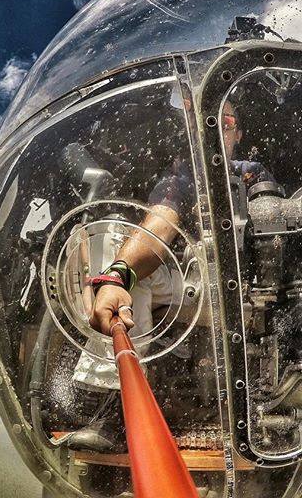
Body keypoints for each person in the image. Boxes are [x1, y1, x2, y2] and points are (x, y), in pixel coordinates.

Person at [68, 99, 275, 451]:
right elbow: (160, 223)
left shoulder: (250, 170)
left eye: (225, 122)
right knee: (114, 237)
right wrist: (117, 277)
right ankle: (112, 404)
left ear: (237, 133)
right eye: (206, 121)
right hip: (191, 284)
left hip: (246, 286)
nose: (215, 128)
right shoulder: (180, 179)